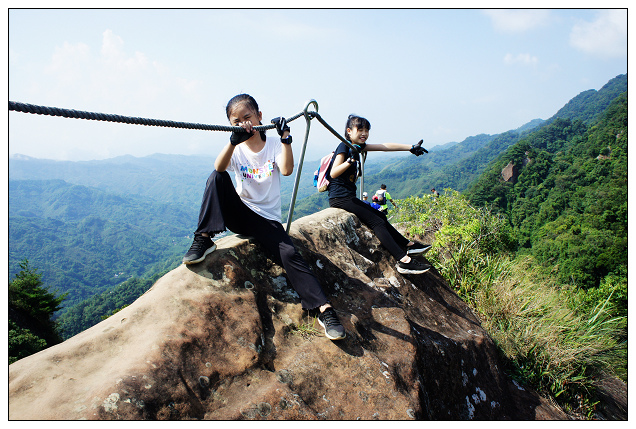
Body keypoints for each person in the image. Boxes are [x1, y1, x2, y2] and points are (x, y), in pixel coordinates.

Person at [183, 94, 345, 340]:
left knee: (290, 254)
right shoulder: (236, 148)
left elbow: (288, 170)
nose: (243, 124)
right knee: (216, 177)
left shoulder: (273, 146)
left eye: (247, 117)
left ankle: (324, 309)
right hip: (240, 215)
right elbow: (219, 169)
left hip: (267, 220)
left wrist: (286, 140)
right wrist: (232, 142)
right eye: (236, 121)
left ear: (259, 116)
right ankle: (203, 238)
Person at [326, 114, 432, 275]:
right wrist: (349, 161)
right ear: (349, 131)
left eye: (367, 130)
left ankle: (408, 245)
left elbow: (384, 146)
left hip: (348, 197)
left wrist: (410, 147)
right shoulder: (344, 146)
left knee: (380, 216)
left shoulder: (358, 147)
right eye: (359, 129)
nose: (364, 133)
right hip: (340, 198)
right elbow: (333, 173)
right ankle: (403, 261)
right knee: (377, 222)